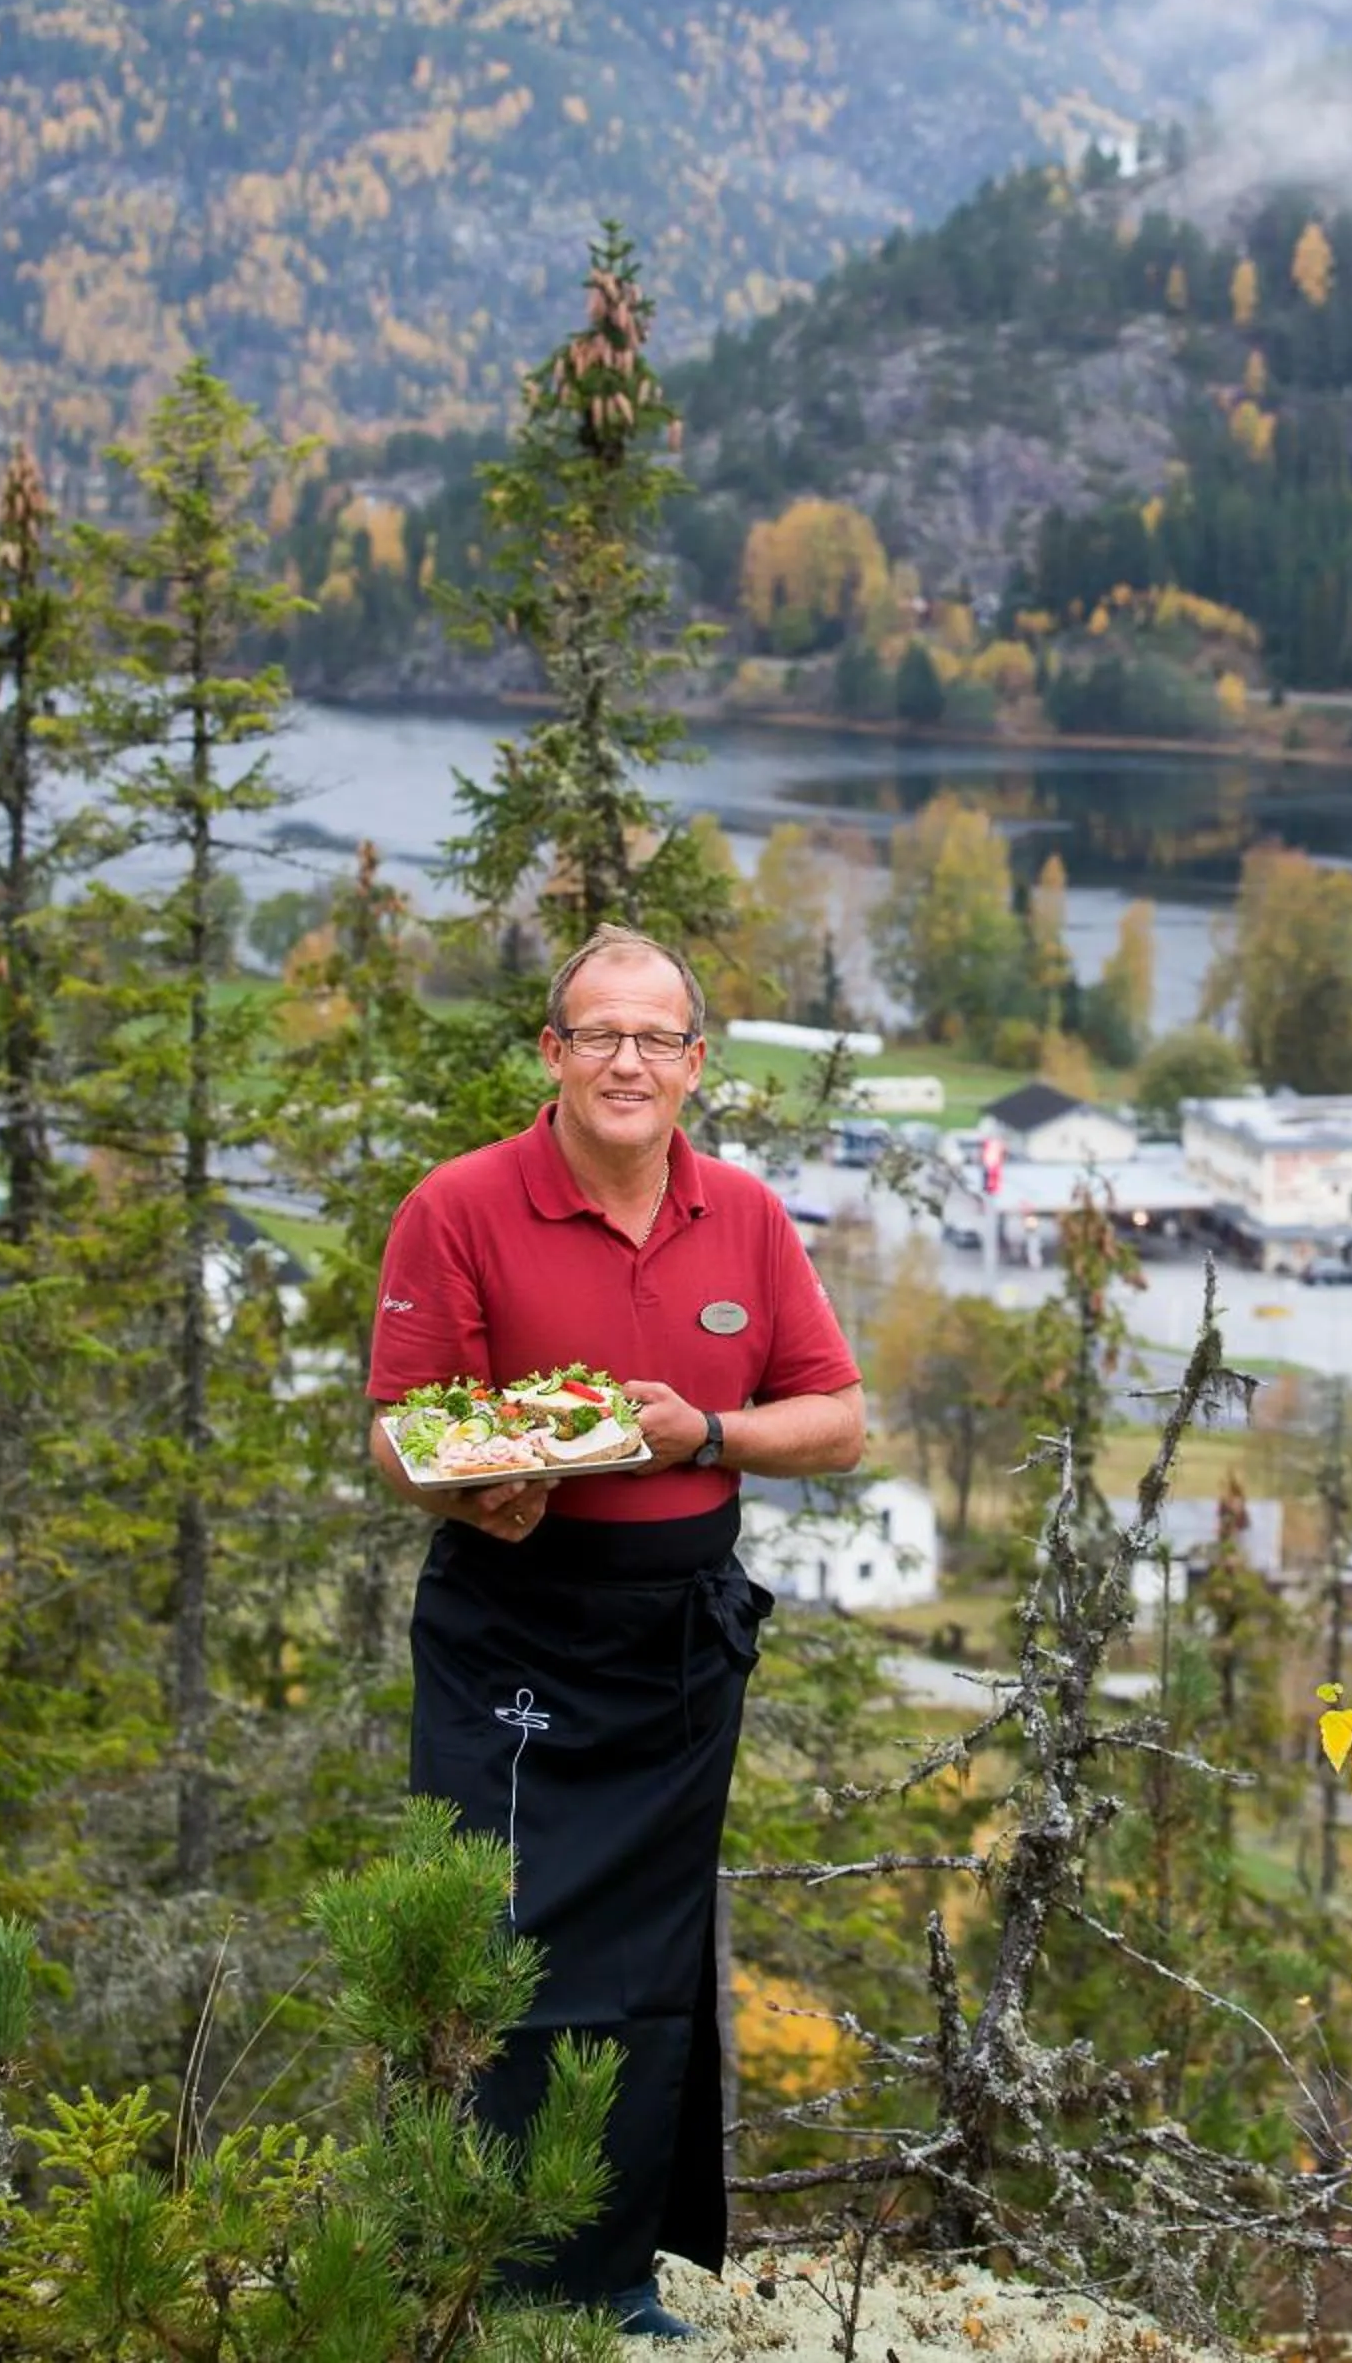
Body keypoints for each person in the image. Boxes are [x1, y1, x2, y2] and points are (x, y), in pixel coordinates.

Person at [367, 922, 864, 2337]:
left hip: (680, 1647)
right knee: (495, 1949)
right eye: (600, 1034)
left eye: (657, 1038)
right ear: (553, 1053)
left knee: (648, 1975)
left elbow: (835, 1420)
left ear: (697, 1064)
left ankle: (610, 2281)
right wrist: (486, 1484)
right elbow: (403, 1436)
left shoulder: (749, 1218)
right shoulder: (458, 1205)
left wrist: (703, 1430)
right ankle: (465, 2268)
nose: (628, 1060)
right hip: (511, 1629)